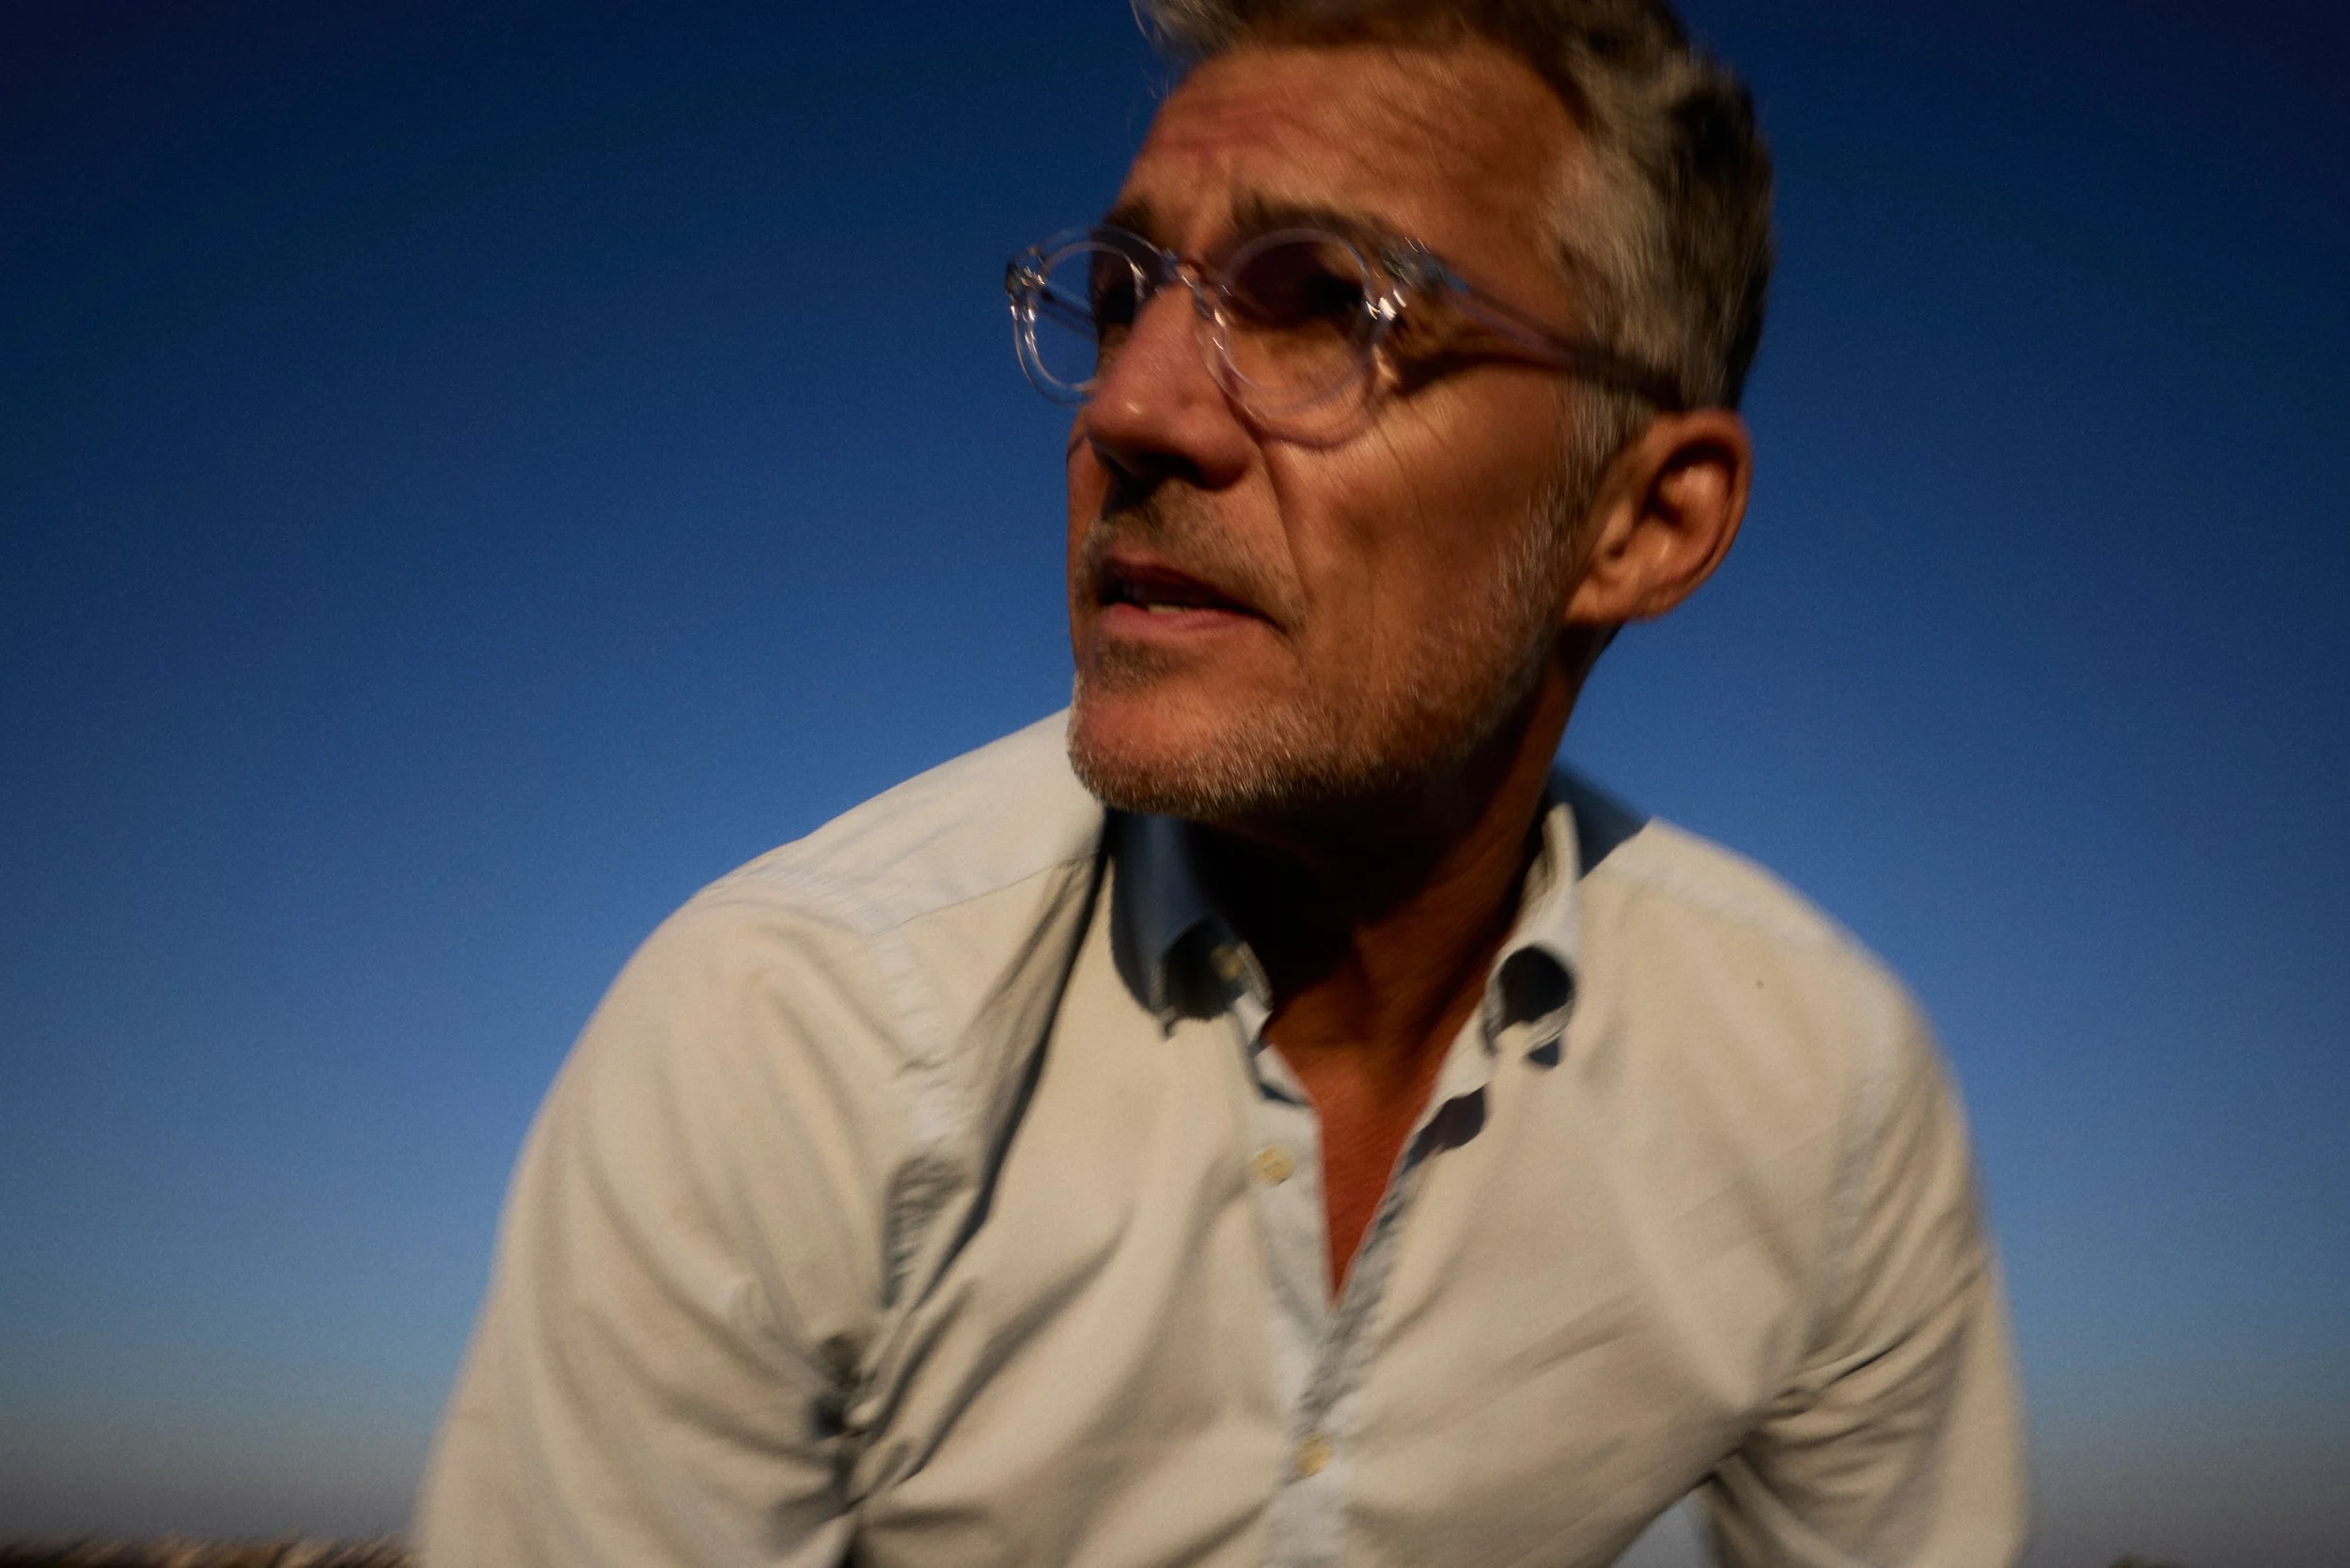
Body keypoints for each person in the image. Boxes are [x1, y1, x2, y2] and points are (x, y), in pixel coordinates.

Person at [415, 1, 2027, 1563]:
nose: (1128, 409)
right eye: (1122, 297)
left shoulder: (1828, 1109)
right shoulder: (788, 1033)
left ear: (1642, 523)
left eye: (1324, 302)